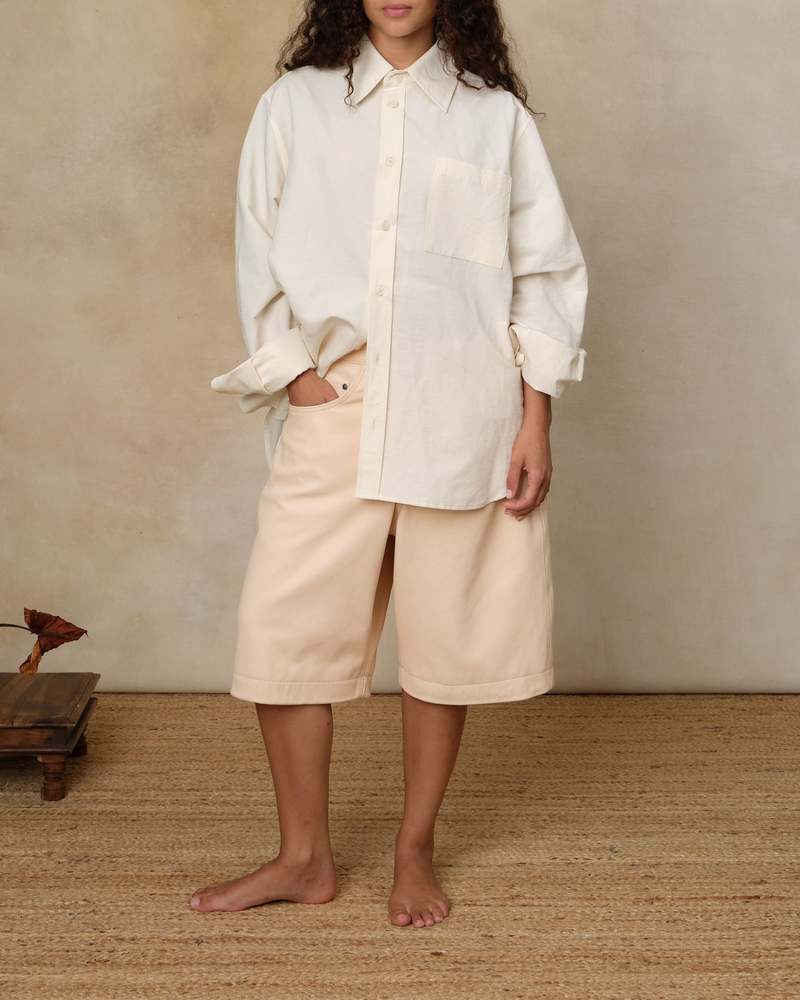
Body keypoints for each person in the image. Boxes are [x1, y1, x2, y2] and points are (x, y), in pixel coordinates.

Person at [193, 0, 588, 929]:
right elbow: (257, 243)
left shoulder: (494, 116)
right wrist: (295, 378)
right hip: (338, 395)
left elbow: (541, 273)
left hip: (465, 404)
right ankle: (303, 857)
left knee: (444, 637)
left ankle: (415, 849)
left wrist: (535, 420)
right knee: (286, 629)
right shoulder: (294, 104)